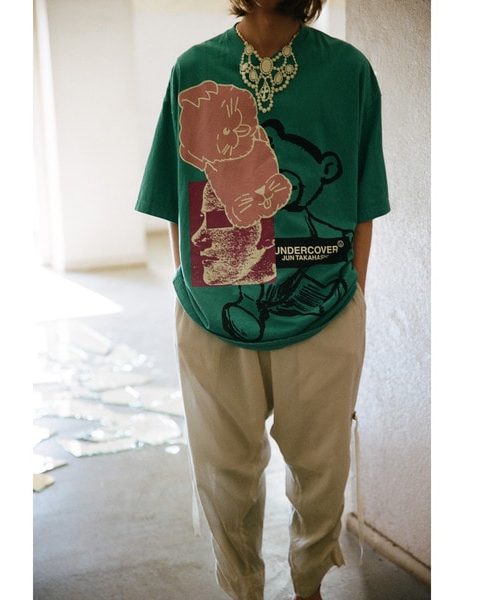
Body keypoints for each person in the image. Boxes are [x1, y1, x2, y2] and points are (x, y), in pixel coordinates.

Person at [135, 1, 390, 598]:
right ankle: (242, 588)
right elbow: (173, 194)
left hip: (324, 307)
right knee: (224, 473)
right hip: (216, 308)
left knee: (322, 472)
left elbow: (364, 201)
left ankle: (309, 585)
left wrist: (352, 296)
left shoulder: (349, 70)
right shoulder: (194, 69)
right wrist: (190, 286)